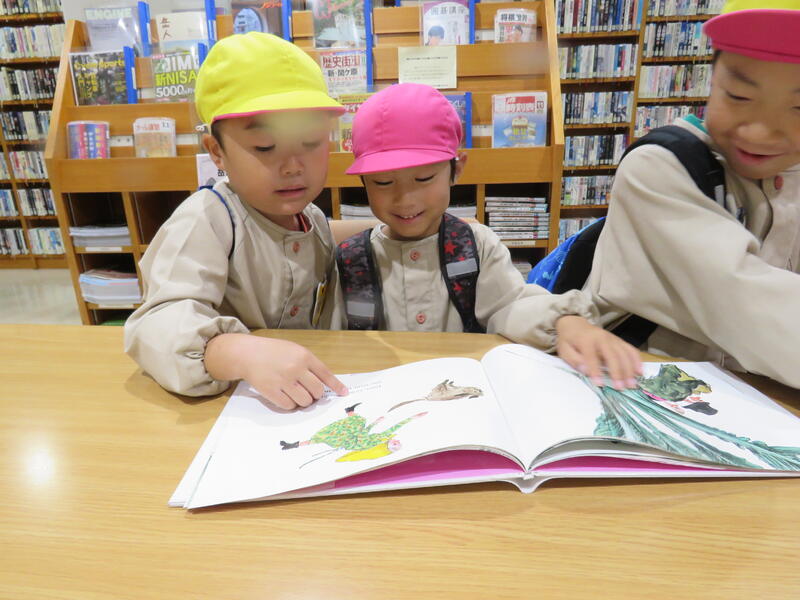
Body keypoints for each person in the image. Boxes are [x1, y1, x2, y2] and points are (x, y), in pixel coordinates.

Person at [337, 83, 642, 389]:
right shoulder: (349, 259)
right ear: (363, 181)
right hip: (380, 392)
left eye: (424, 178)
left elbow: (510, 305)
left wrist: (563, 321)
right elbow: (328, 337)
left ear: (457, 169)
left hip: (463, 392)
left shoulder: (476, 244)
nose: (405, 199)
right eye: (383, 182)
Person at [124, 33, 349, 408]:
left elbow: (322, 240)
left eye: (311, 142)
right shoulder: (207, 219)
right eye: (265, 147)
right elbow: (154, 326)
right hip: (230, 406)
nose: (293, 166)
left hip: (305, 398)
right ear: (217, 151)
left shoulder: (308, 216)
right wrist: (236, 352)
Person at [584, 0, 800, 389]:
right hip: (643, 386)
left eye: (799, 107)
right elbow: (743, 307)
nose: (759, 131)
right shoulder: (660, 166)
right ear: (711, 80)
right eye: (738, 95)